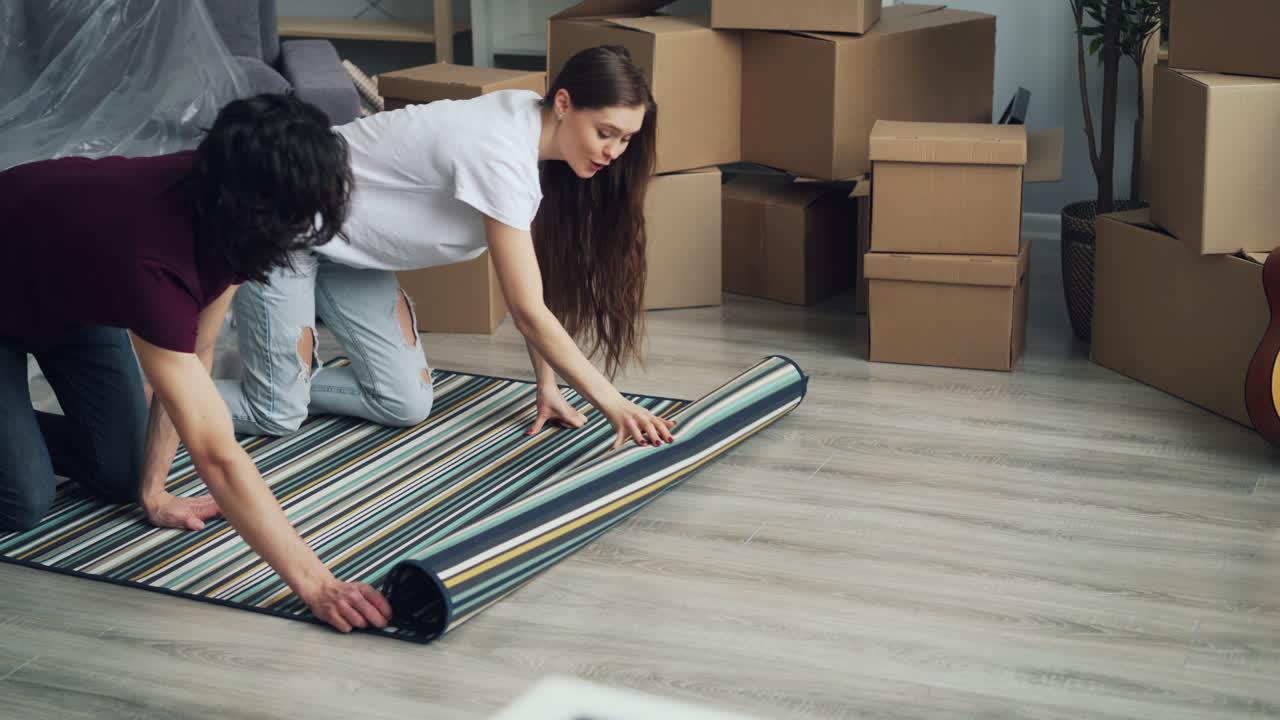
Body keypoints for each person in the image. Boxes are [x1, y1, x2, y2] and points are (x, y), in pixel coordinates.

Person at [0, 93, 393, 633]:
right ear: (259, 204)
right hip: (17, 268)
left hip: (67, 293)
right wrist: (317, 584)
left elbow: (197, 351)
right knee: (24, 497)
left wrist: (154, 491)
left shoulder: (232, 216)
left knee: (123, 476)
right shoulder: (153, 259)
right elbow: (215, 452)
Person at [215, 45, 678, 451]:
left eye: (626, 139)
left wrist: (548, 384)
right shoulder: (501, 153)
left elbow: (532, 285)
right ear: (563, 103)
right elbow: (528, 310)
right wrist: (615, 405)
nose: (614, 152)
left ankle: (280, 378)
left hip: (350, 250)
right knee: (274, 415)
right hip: (284, 222)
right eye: (605, 132)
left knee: (405, 403)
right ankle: (165, 394)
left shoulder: (532, 126)